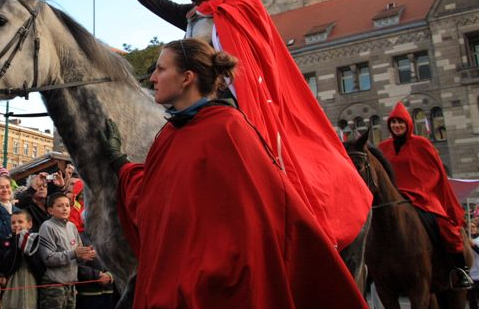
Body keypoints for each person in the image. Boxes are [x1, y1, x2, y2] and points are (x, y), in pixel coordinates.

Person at [104, 0, 371, 252]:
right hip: (195, 104)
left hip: (234, 104)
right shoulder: (197, 14)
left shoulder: (242, 9)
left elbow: (255, 65)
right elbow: (161, 5)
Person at [102, 38, 368, 308]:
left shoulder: (229, 129)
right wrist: (119, 162)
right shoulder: (169, 135)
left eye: (160, 69)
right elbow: (153, 202)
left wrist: (204, 277)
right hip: (170, 289)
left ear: (187, 78)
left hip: (213, 291)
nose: (153, 77)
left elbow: (255, 222)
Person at [378, 101, 473, 288]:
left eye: (401, 122)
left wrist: (416, 191)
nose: (397, 126)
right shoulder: (383, 147)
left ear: (408, 124)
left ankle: (460, 269)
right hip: (394, 199)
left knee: (446, 227)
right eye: (394, 123)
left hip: (422, 197)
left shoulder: (421, 144)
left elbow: (433, 172)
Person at [38, 193, 94, 309]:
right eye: (60, 206)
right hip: (54, 285)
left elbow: (78, 252)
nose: (65, 209)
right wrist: (74, 254)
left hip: (71, 284)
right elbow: (48, 258)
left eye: (67, 205)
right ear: (50, 210)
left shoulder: (72, 226)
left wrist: (85, 254)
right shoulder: (47, 226)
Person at [0, 209, 41, 309]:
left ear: (29, 224)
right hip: (13, 282)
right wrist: (16, 242)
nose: (16, 225)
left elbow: (38, 267)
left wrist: (25, 245)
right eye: (13, 223)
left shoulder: (35, 241)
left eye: (20, 222)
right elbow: (9, 266)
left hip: (30, 280)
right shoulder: (7, 242)